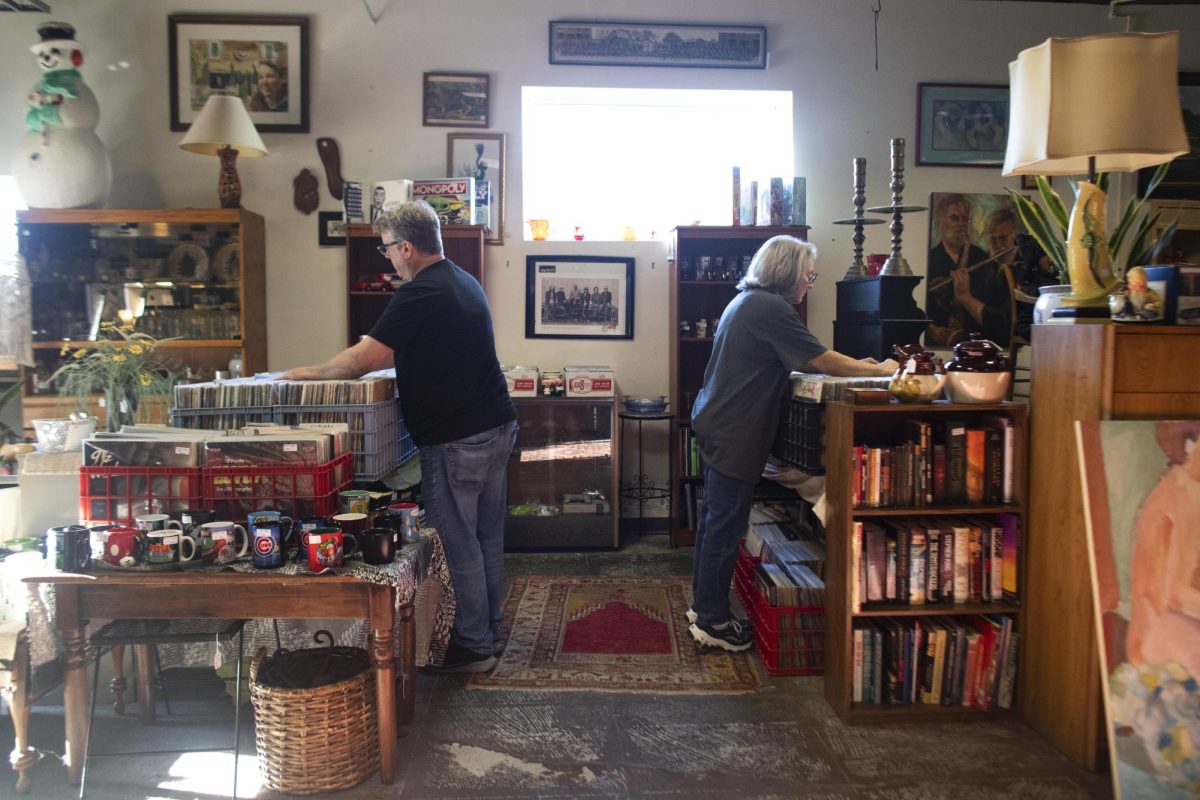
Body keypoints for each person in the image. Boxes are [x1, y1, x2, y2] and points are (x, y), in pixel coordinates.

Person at [281, 201, 516, 673]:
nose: (387, 257)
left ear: (407, 246)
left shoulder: (421, 291)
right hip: (494, 426)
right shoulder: (461, 280)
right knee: (487, 535)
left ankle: (472, 646)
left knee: (457, 540)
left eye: (388, 248)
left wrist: (294, 375)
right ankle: (488, 626)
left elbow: (359, 361)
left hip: (457, 437)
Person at [688, 236, 897, 651]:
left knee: (715, 524)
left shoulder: (747, 301)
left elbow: (810, 356)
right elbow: (816, 360)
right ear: (787, 273)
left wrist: (857, 367)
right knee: (725, 528)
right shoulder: (769, 307)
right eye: (809, 274)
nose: (810, 283)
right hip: (736, 431)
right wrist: (883, 371)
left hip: (718, 422)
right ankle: (712, 622)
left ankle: (703, 608)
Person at [926, 195, 1012, 346]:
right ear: (940, 220)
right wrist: (930, 328)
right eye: (954, 218)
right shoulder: (930, 258)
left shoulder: (983, 258)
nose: (961, 224)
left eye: (965, 219)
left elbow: (994, 312)